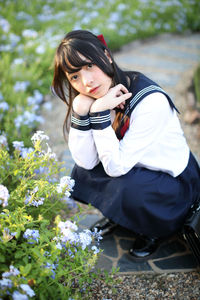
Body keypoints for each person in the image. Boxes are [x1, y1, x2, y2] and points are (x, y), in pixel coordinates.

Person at [52, 30, 200, 259]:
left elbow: (115, 167)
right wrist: (81, 110)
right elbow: (85, 161)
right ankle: (122, 215)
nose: (86, 82)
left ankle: (154, 229)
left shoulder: (151, 102)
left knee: (128, 188)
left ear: (107, 56)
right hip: (135, 166)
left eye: (90, 66)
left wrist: (99, 113)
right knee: (86, 170)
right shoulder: (95, 96)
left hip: (172, 183)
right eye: (74, 77)